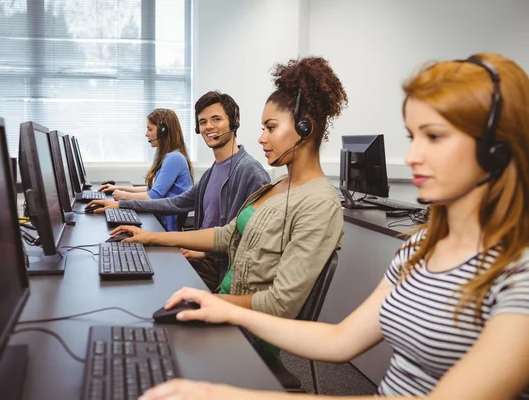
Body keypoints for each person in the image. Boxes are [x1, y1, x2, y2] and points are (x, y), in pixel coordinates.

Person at [137, 53, 529, 399]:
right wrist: (219, 307)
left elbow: (282, 305)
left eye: (435, 136)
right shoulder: (421, 246)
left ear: (496, 149)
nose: (411, 156)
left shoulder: (519, 276)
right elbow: (342, 340)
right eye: (412, 136)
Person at [112, 57, 346, 335]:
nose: (261, 138)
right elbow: (225, 235)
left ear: (305, 127)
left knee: (143, 316)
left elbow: (280, 304)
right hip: (224, 301)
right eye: (262, 128)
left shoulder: (319, 204)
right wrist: (150, 237)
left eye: (270, 128)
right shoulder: (278, 186)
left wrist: (209, 301)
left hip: (245, 329)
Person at [88, 91, 270, 289]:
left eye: (216, 119)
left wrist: (204, 252)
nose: (209, 126)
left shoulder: (251, 173)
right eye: (203, 122)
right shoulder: (212, 172)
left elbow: (253, 241)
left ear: (235, 122)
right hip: (201, 254)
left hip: (219, 268)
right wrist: (121, 204)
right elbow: (176, 202)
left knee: (150, 285)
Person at [92, 108, 194, 232]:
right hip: (161, 217)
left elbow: (154, 196)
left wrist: (124, 197)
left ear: (163, 131)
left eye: (150, 129)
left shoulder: (174, 158)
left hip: (165, 224)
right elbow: (152, 188)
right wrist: (119, 188)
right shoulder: (169, 156)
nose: (146, 134)